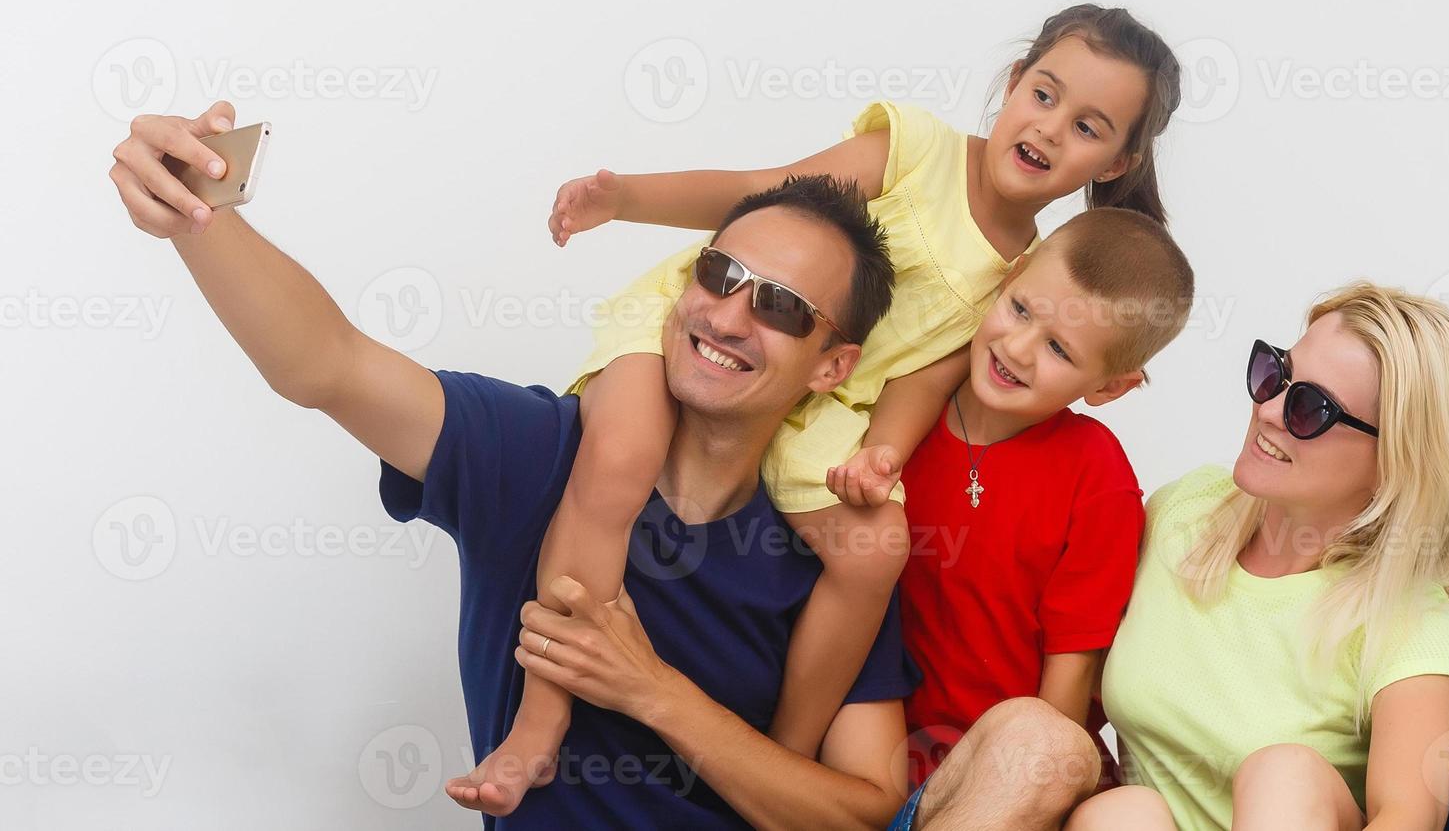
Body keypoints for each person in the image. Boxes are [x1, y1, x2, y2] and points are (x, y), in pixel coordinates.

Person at [106, 105, 920, 829]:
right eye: (718, 274)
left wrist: (656, 694)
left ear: (832, 367)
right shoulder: (538, 453)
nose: (730, 316)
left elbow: (860, 810)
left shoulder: (831, 553)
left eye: (778, 306)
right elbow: (326, 362)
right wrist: (194, 213)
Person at [495, 3, 1184, 813]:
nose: (1049, 128)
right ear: (1012, 82)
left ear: (1116, 160)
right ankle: (539, 723)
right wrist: (627, 197)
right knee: (618, 459)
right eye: (1042, 95)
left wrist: (881, 454)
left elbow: (921, 380)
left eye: (1087, 126)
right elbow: (761, 194)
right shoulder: (917, 152)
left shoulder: (1029, 274)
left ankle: (778, 763)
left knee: (872, 548)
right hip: (722, 319)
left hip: (820, 398)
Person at [1071, 284, 1449, 830]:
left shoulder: (1410, 623)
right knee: (1120, 814)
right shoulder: (1183, 514)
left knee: (1284, 774)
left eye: (1309, 408)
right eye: (1275, 372)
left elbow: (1408, 820)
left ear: (1396, 460)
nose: (1266, 409)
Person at [853, 206, 1195, 827]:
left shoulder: (1096, 476)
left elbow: (1066, 695)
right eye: (1019, 310)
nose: (1017, 349)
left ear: (1111, 387)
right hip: (870, 777)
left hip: (1000, 793)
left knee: (1046, 744)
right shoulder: (901, 410)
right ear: (1008, 278)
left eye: (1059, 348)